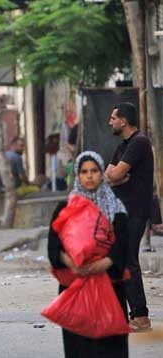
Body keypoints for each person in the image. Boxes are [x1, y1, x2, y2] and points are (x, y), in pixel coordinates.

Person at [47, 151, 129, 357]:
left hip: (109, 286)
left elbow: (122, 243)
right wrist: (73, 264)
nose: (90, 175)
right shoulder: (65, 208)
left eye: (94, 171)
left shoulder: (115, 207)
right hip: (75, 286)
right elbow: (54, 245)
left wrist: (104, 263)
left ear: (102, 174)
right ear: (78, 176)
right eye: (84, 172)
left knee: (110, 347)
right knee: (79, 347)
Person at [104, 102, 153, 332]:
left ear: (124, 120)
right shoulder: (123, 146)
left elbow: (118, 173)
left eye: (113, 118)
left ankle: (141, 317)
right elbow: (108, 175)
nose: (110, 122)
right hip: (122, 212)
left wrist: (117, 176)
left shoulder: (139, 142)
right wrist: (115, 177)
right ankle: (128, 315)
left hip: (135, 210)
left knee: (128, 261)